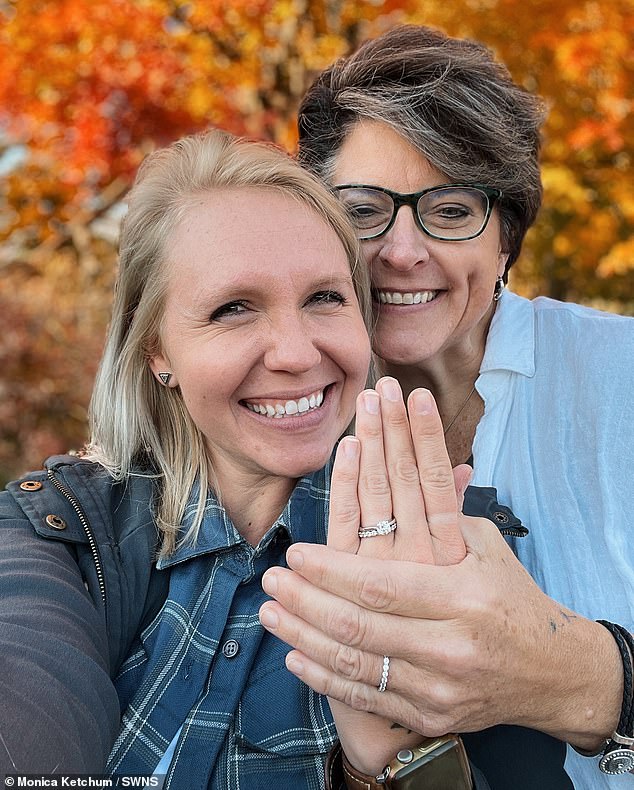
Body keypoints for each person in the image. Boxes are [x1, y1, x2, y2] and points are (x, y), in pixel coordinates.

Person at [258, 23, 634, 789]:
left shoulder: (619, 378)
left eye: (452, 210)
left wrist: (584, 679)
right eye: (364, 210)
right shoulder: (274, 403)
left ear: (506, 241)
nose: (402, 251)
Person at [0, 127, 385, 786]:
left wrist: (383, 764)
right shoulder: (63, 528)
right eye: (234, 308)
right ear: (158, 352)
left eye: (326, 297)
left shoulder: (451, 544)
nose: (294, 352)